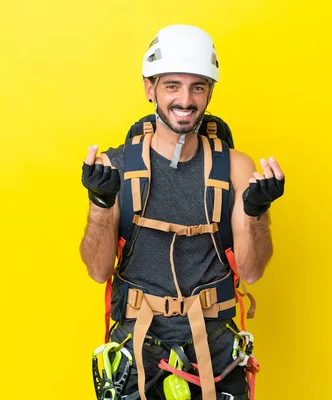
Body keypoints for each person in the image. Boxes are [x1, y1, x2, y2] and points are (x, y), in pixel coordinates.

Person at [80, 24, 285, 400]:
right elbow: (97, 271)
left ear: (210, 92)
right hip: (137, 351)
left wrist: (258, 211)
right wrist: (101, 203)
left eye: (197, 86)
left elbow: (252, 272)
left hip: (216, 352)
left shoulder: (236, 168)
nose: (185, 100)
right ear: (150, 88)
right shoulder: (115, 168)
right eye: (172, 85)